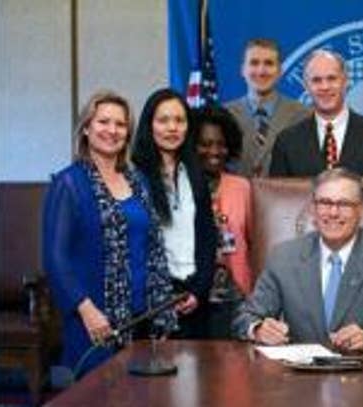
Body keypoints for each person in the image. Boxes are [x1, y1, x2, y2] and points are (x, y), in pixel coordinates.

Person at [43, 91, 177, 376]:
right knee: (100, 393)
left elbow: (152, 246)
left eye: (120, 124)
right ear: (86, 128)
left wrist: (161, 310)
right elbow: (55, 258)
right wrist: (87, 310)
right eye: (103, 122)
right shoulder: (68, 184)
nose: (112, 130)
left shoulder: (138, 180)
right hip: (94, 320)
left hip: (143, 317)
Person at [235, 168, 363, 350]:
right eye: (325, 203)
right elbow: (246, 317)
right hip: (299, 373)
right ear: (313, 208)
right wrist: (258, 329)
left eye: (344, 204)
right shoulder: (283, 257)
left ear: (361, 209)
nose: (333, 213)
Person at [131, 88, 218, 339]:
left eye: (180, 120)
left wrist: (198, 290)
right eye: (163, 120)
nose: (172, 128)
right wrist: (162, 292)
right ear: (149, 125)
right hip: (154, 298)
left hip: (194, 295)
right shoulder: (133, 177)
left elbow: (207, 237)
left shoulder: (196, 173)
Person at [269, 50, 363, 177]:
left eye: (332, 78)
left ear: (345, 81)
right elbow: (277, 191)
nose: (325, 87)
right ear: (306, 86)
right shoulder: (286, 142)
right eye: (316, 80)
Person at [193, 105, 254, 338]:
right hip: (194, 299)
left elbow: (254, 243)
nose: (215, 151)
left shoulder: (242, 187)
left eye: (221, 144)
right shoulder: (183, 187)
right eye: (206, 144)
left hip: (237, 299)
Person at [225, 38, 310, 176]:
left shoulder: (303, 115)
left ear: (280, 71)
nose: (261, 71)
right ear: (243, 70)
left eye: (269, 63)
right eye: (254, 63)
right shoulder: (225, 115)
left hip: (285, 190)